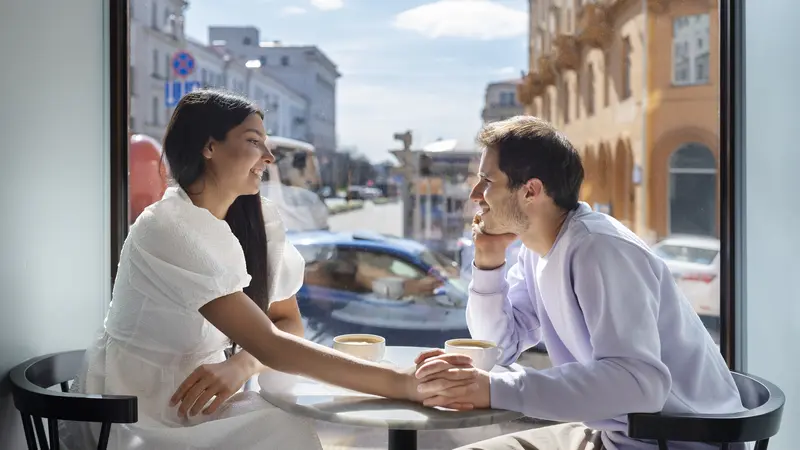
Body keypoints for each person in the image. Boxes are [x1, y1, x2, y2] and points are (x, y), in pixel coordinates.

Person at [60, 89, 478, 450]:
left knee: (283, 423)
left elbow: (286, 323)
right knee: (279, 428)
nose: (270, 155)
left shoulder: (256, 221)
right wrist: (402, 383)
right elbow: (272, 343)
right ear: (210, 147)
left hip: (195, 397)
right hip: (136, 410)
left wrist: (241, 365)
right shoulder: (168, 228)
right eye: (254, 141)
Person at [415, 116, 745, 450]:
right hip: (619, 437)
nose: (475, 194)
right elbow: (497, 345)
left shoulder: (599, 248)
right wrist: (488, 261)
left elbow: (639, 384)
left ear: (530, 190)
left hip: (676, 444)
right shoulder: (537, 252)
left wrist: (493, 389)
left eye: (486, 181)